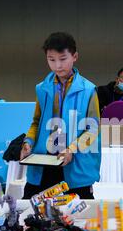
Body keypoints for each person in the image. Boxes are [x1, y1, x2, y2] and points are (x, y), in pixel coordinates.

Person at [19, 32, 101, 199]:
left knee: (76, 218)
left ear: (75, 56)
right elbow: (36, 122)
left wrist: (72, 149)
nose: (57, 65)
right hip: (44, 163)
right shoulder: (41, 89)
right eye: (51, 59)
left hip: (75, 164)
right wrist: (28, 142)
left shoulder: (88, 90)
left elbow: (93, 130)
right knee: (33, 214)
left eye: (63, 59)